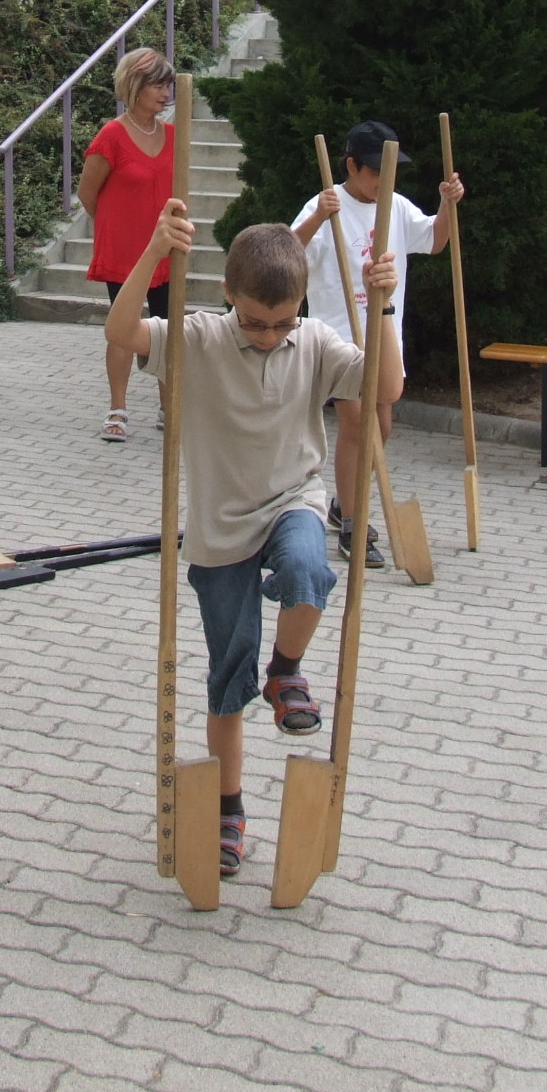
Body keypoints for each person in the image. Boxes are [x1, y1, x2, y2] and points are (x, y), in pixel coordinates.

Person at [106, 201, 395, 881]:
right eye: (255, 322)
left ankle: (286, 670)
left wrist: (381, 306)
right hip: (220, 532)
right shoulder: (199, 337)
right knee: (226, 681)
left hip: (294, 499)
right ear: (228, 294)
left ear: (301, 305)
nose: (268, 336)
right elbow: (121, 331)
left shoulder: (315, 341)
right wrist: (155, 249)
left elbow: (388, 386)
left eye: (282, 322)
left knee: (308, 571)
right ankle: (228, 810)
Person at [293, 122, 464, 566]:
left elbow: (435, 240)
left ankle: (342, 504)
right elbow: (286, 253)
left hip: (383, 336)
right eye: (374, 171)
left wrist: (447, 204)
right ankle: (354, 523)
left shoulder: (396, 206)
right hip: (339, 339)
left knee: (381, 428)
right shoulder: (327, 204)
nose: (383, 180)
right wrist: (317, 217)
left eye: (390, 171)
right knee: (359, 426)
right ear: (351, 166)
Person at [78, 47, 176, 442]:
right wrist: (117, 227)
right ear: (134, 85)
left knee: (167, 328)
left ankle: (169, 407)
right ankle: (117, 410)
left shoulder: (174, 134)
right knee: (123, 328)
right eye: (157, 84)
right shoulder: (112, 135)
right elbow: (88, 194)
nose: (165, 92)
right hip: (124, 252)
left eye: (168, 85)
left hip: (166, 250)